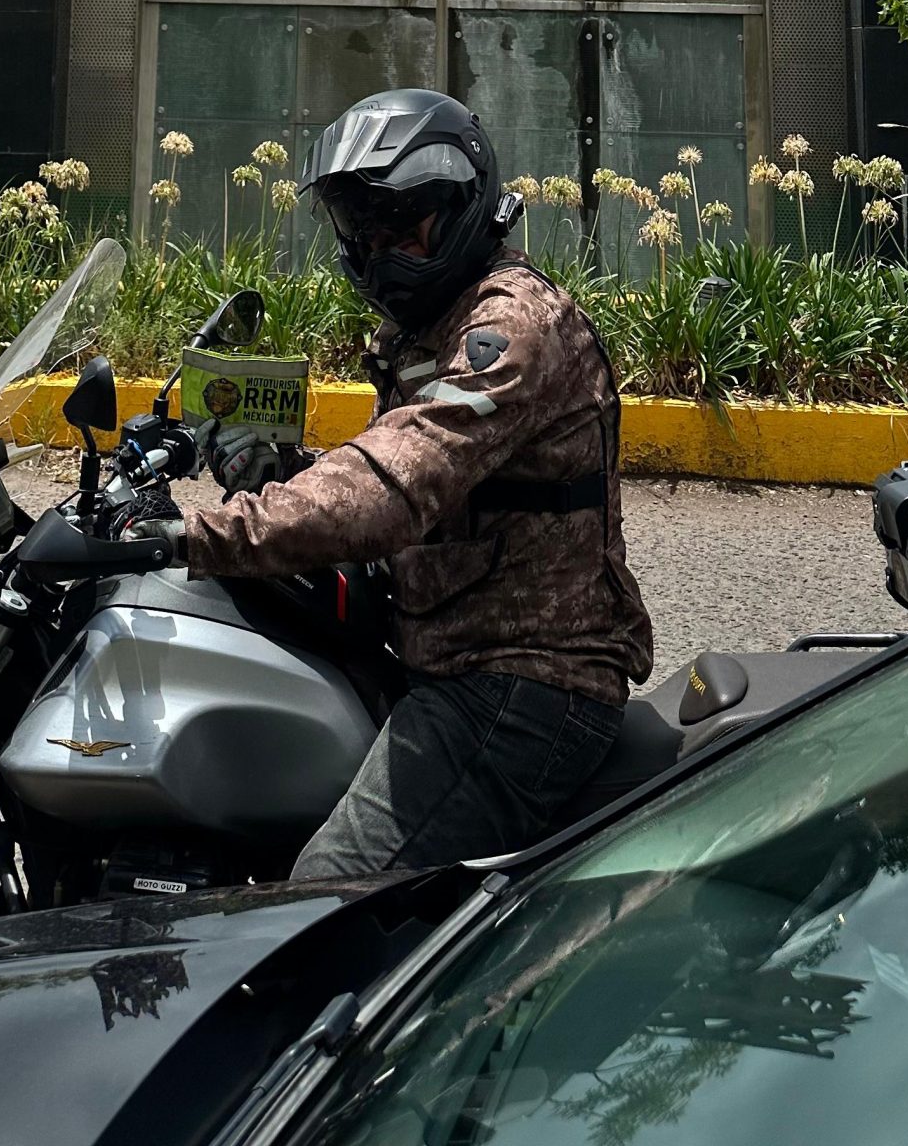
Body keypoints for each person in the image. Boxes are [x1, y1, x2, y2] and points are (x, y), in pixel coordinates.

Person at [129, 87, 653, 881]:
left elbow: (396, 483)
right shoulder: (430, 327)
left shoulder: (510, 327)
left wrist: (191, 537)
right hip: (445, 654)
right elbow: (413, 480)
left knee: (319, 904)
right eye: (362, 229)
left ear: (465, 205)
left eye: (402, 223)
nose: (380, 250)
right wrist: (276, 476)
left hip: (521, 682)